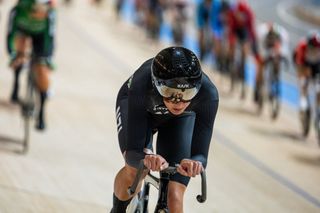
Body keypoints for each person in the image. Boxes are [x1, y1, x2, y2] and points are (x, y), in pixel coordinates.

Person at [111, 47, 219, 212]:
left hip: (178, 120)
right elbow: (133, 151)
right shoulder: (142, 82)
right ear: (156, 84)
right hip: (141, 111)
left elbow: (201, 155)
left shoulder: (208, 94)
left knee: (174, 196)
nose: (179, 102)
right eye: (169, 92)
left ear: (197, 88)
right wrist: (146, 157)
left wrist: (195, 163)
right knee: (135, 172)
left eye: (187, 93)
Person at [7, 0, 56, 131]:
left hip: (41, 36)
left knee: (42, 71)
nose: (42, 13)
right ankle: (16, 83)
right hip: (23, 29)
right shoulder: (20, 10)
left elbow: (49, 40)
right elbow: (11, 34)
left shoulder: (49, 15)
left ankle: (41, 113)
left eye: (45, 10)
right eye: (40, 10)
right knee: (19, 52)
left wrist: (46, 60)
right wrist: (13, 54)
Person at [293, 31, 320, 122]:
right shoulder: (302, 46)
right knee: (304, 82)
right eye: (312, 48)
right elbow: (300, 65)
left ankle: (317, 109)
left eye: (316, 49)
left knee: (318, 88)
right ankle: (303, 101)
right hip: (303, 63)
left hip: (315, 65)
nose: (314, 50)